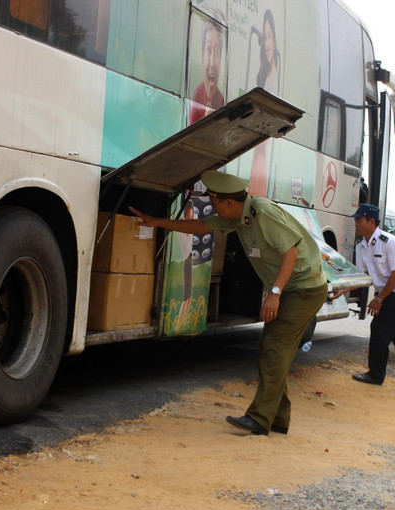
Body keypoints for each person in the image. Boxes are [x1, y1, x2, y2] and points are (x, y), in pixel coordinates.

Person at [130, 171, 327, 436]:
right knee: (270, 350)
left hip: (304, 288)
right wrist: (156, 222)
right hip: (292, 287)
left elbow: (290, 253)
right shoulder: (239, 217)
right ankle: (277, 417)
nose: (214, 208)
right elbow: (201, 227)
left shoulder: (262, 213)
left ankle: (259, 419)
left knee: (274, 349)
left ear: (229, 203)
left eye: (215, 203)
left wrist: (275, 293)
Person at [335, 204, 395, 388]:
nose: (356, 224)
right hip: (391, 290)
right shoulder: (362, 245)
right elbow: (362, 276)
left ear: (372, 222)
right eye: (355, 220)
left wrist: (379, 299)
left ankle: (376, 374)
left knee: (379, 328)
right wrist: (343, 289)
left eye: (359, 220)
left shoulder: (389, 241)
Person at [247, 9, 280, 196]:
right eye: (264, 37)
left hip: (260, 151)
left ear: (274, 39)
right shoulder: (267, 74)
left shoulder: (273, 77)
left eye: (269, 36)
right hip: (258, 151)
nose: (267, 43)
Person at [189, 19, 225, 125]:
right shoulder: (197, 94)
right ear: (202, 56)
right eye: (208, 50)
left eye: (217, 52)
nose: (212, 63)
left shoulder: (220, 98)